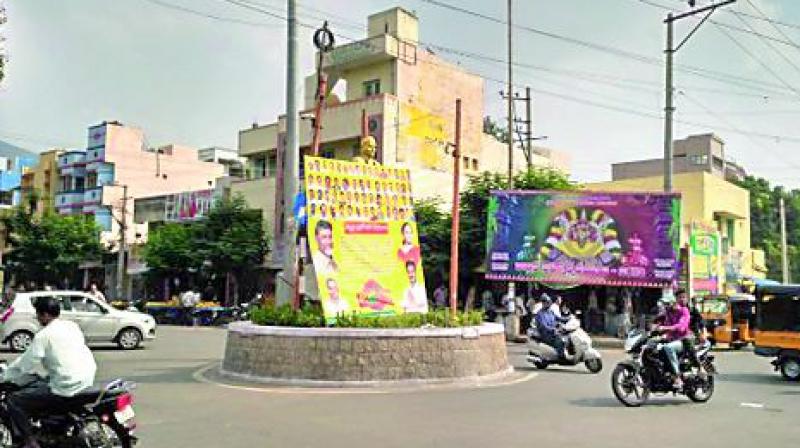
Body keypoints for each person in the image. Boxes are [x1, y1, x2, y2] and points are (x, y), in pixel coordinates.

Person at [1, 297, 97, 448]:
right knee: (39, 381)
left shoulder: (44, 336)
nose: (37, 318)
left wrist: (5, 375)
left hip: (66, 385)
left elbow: (25, 363)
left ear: (45, 315)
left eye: (38, 314)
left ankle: (30, 442)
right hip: (85, 378)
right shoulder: (71, 326)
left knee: (15, 400)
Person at [654, 289, 691, 389]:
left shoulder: (684, 311)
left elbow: (681, 326)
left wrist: (666, 329)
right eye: (664, 304)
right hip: (673, 339)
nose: (665, 306)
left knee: (668, 348)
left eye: (667, 304)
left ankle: (677, 376)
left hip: (683, 340)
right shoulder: (668, 313)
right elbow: (663, 325)